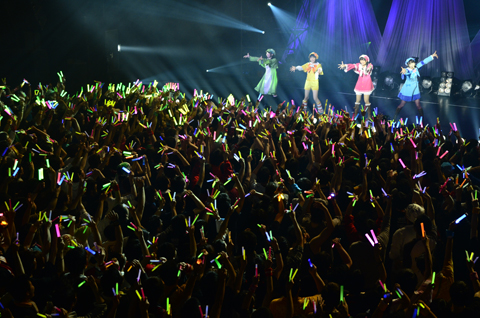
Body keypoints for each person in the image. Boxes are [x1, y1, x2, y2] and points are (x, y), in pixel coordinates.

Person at [394, 51, 439, 120]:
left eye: (414, 62)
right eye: (412, 63)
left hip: (415, 89)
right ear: (408, 64)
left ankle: (422, 119)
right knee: (402, 104)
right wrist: (404, 71)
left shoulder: (416, 67)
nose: (414, 64)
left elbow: (423, 62)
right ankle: (395, 117)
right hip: (408, 89)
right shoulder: (407, 69)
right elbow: (406, 72)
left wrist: (432, 56)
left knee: (418, 105)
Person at [338, 55, 374, 120]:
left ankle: (369, 116)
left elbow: (369, 69)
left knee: (366, 101)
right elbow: (352, 65)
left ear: (366, 60)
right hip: (360, 84)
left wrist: (368, 69)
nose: (362, 61)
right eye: (361, 60)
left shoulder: (369, 65)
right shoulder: (358, 65)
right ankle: (355, 116)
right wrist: (345, 66)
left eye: (363, 60)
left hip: (367, 84)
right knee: (357, 100)